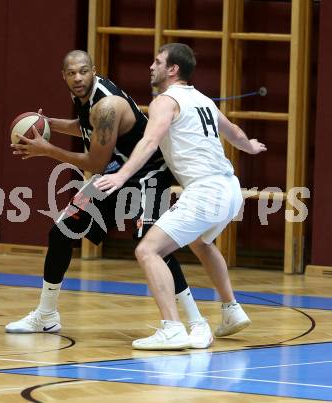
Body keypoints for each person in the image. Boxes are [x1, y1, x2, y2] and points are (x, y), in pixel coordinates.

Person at [6, 50, 214, 349]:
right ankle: (46, 315)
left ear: (94, 70)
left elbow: (95, 162)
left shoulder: (106, 106)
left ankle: (198, 324)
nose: (78, 78)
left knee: (154, 245)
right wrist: (48, 122)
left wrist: (47, 149)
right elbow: (86, 128)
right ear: (63, 76)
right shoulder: (86, 101)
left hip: (149, 171)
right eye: (71, 73)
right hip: (117, 171)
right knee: (62, 231)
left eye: (83, 71)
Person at [95, 43, 266, 350]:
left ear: (172, 69)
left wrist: (121, 176)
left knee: (148, 250)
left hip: (206, 191)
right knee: (202, 243)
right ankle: (231, 310)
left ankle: (172, 328)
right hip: (229, 189)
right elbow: (235, 132)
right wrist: (250, 146)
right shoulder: (204, 101)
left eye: (157, 61)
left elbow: (149, 142)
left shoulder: (165, 100)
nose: (151, 66)